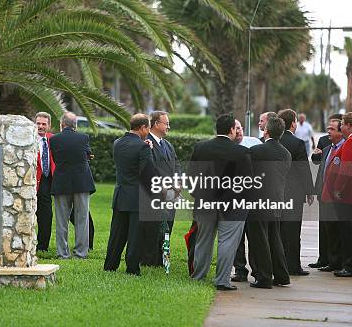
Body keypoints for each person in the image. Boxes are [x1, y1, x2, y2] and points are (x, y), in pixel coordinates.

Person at [189, 114, 253, 291]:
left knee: (203, 241)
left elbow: (192, 176)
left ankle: (198, 276)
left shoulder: (200, 148)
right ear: (232, 129)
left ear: (216, 129)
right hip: (232, 206)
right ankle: (222, 281)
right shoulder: (241, 152)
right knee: (227, 242)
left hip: (205, 203)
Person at [104, 114, 156, 276]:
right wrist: (149, 150)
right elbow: (148, 173)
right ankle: (132, 268)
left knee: (117, 234)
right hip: (138, 197)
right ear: (142, 128)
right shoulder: (144, 147)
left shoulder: (117, 143)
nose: (148, 132)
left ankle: (110, 265)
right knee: (135, 235)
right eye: (148, 128)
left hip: (120, 195)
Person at [322, 112, 352, 277]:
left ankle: (351, 267)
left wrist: (337, 188)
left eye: (342, 124)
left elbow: (346, 169)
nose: (340, 126)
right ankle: (350, 265)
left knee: (350, 233)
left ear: (349, 126)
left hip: (350, 196)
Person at [246, 116, 291, 288]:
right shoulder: (286, 153)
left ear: (266, 131)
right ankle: (281, 275)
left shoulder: (257, 151)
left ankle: (264, 277)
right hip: (277, 200)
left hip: (258, 201)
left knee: (260, 240)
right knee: (275, 239)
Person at [50, 112, 96, 259]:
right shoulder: (83, 137)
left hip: (61, 181)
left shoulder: (54, 140)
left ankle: (62, 253)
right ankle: (81, 253)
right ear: (75, 125)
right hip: (81, 182)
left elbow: (56, 158)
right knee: (82, 219)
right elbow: (87, 154)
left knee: (61, 220)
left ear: (62, 124)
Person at [139, 111, 181, 267]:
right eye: (166, 123)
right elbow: (149, 168)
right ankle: (149, 261)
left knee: (168, 228)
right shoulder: (145, 143)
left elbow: (176, 164)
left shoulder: (167, 145)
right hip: (154, 195)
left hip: (171, 196)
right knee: (152, 229)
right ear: (156, 124)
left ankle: (164, 259)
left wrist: (177, 182)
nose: (168, 126)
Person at [277, 109, 314, 276]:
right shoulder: (297, 143)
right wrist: (309, 191)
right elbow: (303, 170)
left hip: (274, 193)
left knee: (276, 230)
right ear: (293, 123)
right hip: (293, 193)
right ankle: (293, 266)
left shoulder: (270, 141)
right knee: (292, 231)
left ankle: (276, 263)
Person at [308, 113, 342, 268]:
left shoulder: (343, 147)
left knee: (333, 228)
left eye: (331, 128)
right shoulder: (325, 143)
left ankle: (333, 259)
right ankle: (323, 258)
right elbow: (317, 162)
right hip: (322, 190)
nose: (328, 131)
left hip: (335, 194)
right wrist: (315, 155)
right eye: (328, 127)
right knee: (323, 226)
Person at [231, 119, 261, 282]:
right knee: (238, 238)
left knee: (255, 237)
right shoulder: (228, 148)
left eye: (241, 127)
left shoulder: (255, 142)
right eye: (236, 128)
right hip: (236, 200)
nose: (239, 131)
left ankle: (257, 271)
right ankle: (240, 270)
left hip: (254, 198)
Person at [35, 112, 56, 252]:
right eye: (38, 123)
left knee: (46, 214)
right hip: (34, 179)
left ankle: (43, 246)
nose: (41, 126)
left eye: (44, 124)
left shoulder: (54, 139)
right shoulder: (27, 138)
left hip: (51, 179)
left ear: (48, 125)